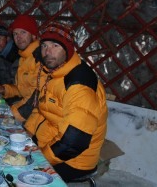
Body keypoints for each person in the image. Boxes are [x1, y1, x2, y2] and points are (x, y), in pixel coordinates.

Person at [24, 22, 108, 182]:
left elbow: (74, 142)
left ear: (68, 50)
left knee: (19, 174)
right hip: (49, 141)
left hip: (74, 160)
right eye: (44, 46)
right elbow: (41, 109)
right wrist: (26, 133)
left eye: (55, 46)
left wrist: (41, 158)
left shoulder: (79, 84)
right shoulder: (52, 72)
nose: (47, 52)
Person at [0, 15, 40, 122]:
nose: (18, 37)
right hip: (23, 109)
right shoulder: (24, 58)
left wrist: (10, 113)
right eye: (15, 34)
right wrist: (3, 89)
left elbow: (36, 98)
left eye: (23, 32)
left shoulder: (40, 58)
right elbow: (20, 89)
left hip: (34, 116)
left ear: (34, 35)